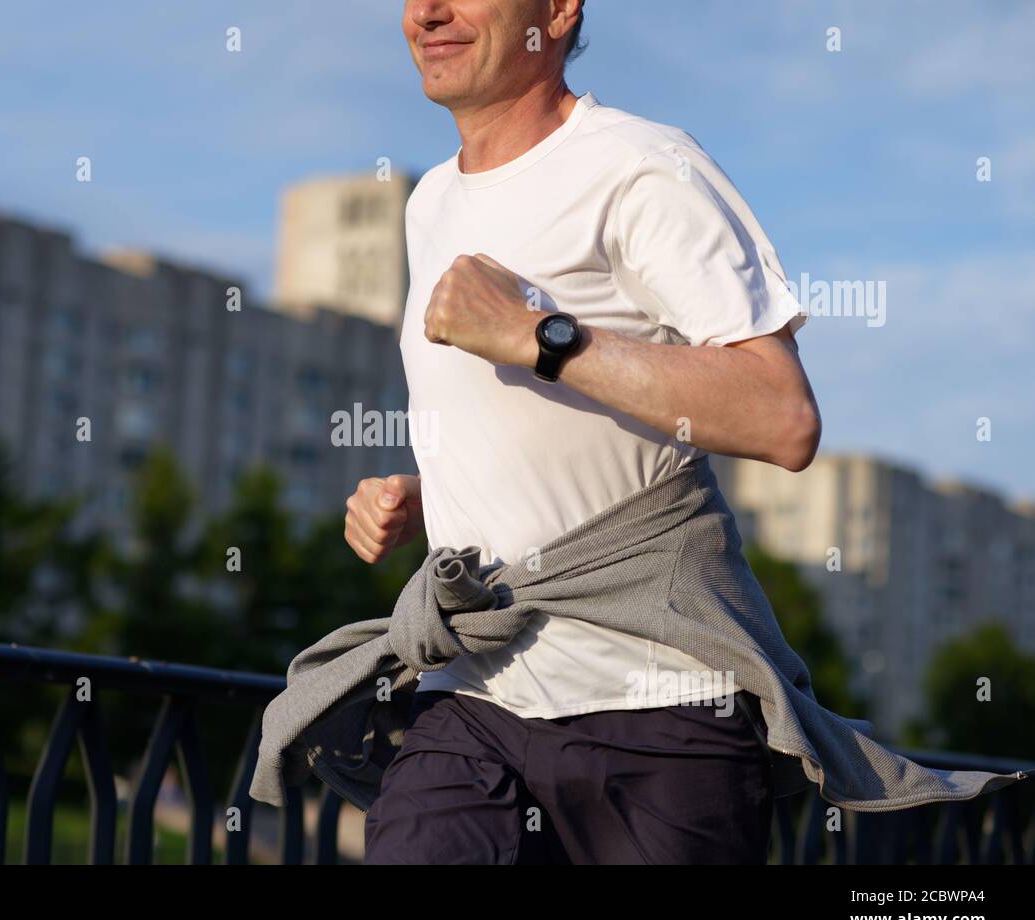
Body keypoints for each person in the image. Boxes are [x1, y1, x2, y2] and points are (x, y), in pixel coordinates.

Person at [347, 0, 818, 863]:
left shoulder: (641, 167)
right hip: (473, 694)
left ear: (558, 9)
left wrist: (541, 337)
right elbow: (534, 428)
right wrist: (442, 489)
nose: (427, 11)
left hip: (658, 707)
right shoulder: (430, 201)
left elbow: (781, 416)